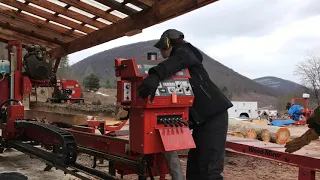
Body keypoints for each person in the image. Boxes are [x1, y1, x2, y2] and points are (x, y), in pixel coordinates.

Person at [137, 29, 233, 180]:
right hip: (202, 120)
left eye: (161, 48)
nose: (161, 52)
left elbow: (176, 61)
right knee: (194, 170)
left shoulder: (184, 52)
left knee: (209, 171)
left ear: (166, 43)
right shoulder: (180, 62)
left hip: (214, 116)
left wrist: (154, 75)